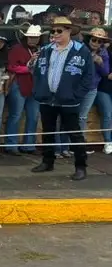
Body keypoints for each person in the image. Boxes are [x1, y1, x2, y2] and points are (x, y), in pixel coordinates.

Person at [30, 17, 93, 180]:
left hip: (69, 99)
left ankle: (81, 166)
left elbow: (88, 76)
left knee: (74, 133)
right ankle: (47, 161)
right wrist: (38, 90)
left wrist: (76, 95)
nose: (55, 34)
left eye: (59, 30)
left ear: (69, 31)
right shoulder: (45, 49)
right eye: (53, 31)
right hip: (47, 98)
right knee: (48, 132)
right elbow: (37, 73)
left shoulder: (82, 50)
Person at [4, 24, 42, 154]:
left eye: (36, 37)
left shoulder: (41, 50)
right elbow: (11, 66)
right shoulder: (16, 49)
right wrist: (28, 69)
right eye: (31, 37)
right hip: (18, 84)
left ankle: (29, 145)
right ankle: (11, 145)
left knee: (33, 116)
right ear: (26, 37)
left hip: (35, 86)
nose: (33, 40)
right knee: (16, 115)